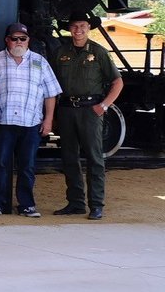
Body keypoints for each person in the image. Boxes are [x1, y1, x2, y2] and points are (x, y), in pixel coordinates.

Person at [51, 12, 123, 220]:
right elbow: (53, 84)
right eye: (74, 26)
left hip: (90, 110)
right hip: (66, 110)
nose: (78, 30)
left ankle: (97, 204)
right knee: (69, 157)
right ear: (69, 29)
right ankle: (75, 203)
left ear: (89, 27)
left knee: (94, 158)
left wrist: (104, 105)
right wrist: (54, 113)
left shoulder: (99, 53)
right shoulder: (60, 53)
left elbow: (117, 82)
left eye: (82, 26)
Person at [0, 23, 61, 218]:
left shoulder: (40, 61)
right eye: (14, 38)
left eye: (23, 38)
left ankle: (26, 204)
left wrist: (48, 120)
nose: (18, 42)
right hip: (4, 121)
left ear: (28, 40)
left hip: (31, 122)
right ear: (7, 40)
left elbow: (50, 93)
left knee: (27, 166)